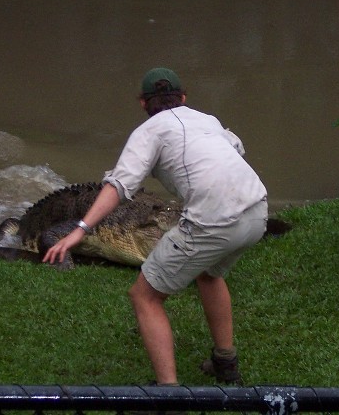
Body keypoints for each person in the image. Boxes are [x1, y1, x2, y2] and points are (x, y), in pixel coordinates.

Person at [44, 67, 268, 386]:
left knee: (144, 296)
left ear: (143, 104)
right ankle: (226, 364)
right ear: (184, 98)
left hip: (213, 220)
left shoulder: (148, 132)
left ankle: (168, 391)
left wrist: (79, 229)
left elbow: (118, 186)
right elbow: (235, 152)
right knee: (209, 274)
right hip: (257, 210)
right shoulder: (209, 120)